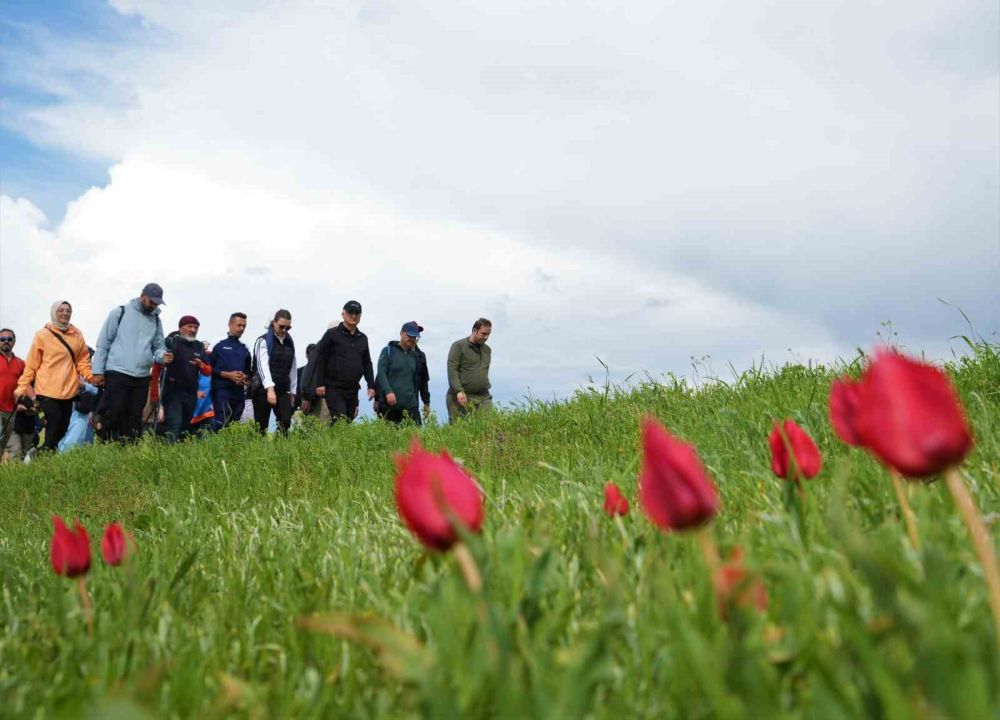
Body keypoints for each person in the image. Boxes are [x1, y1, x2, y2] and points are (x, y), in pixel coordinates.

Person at [15, 301, 99, 453]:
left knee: (61, 429)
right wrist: (22, 386)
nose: (65, 313)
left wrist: (91, 377)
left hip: (68, 391)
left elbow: (82, 361)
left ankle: (41, 455)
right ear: (54, 312)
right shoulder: (42, 335)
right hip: (47, 390)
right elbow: (32, 365)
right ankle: (42, 457)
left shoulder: (77, 334)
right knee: (54, 424)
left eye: (68, 310)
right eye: (61, 310)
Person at [92, 282, 171, 442]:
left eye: (157, 302)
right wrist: (98, 371)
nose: (154, 305)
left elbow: (158, 347)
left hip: (142, 375)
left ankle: (128, 450)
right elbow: (103, 342)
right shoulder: (120, 312)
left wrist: (163, 356)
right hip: (117, 371)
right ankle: (103, 445)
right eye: (152, 301)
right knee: (114, 411)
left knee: (135, 415)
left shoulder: (156, 320)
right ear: (142, 295)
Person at [313, 300, 375, 423]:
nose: (353, 316)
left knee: (347, 421)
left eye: (357, 313)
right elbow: (320, 359)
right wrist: (319, 383)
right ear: (343, 314)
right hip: (334, 387)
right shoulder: (331, 334)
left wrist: (371, 385)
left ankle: (332, 442)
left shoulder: (363, 338)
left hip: (353, 388)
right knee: (340, 420)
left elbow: (367, 362)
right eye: (350, 312)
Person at [161, 318, 211, 443]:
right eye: (190, 326)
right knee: (175, 424)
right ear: (181, 328)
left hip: (191, 392)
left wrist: (201, 365)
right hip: (172, 390)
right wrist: (154, 394)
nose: (193, 330)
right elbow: (157, 365)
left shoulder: (199, 346)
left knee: (185, 425)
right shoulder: (171, 342)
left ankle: (180, 455)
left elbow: (208, 370)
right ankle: (169, 452)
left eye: (196, 328)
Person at [250, 310, 297, 434]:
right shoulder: (263, 341)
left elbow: (292, 367)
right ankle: (260, 451)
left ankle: (279, 447)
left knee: (286, 421)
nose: (284, 330)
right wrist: (270, 389)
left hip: (282, 388)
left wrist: (293, 392)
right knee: (261, 426)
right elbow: (262, 366)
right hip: (262, 389)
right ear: (274, 323)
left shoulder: (289, 342)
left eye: (288, 327)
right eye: (281, 326)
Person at [376, 322, 430, 426]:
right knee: (390, 439)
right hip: (389, 405)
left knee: (416, 437)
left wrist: (426, 402)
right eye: (410, 336)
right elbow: (381, 374)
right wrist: (387, 392)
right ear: (401, 333)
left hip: (410, 406)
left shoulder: (416, 356)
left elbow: (422, 381)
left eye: (415, 337)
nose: (412, 339)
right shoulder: (388, 351)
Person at [446, 318, 493, 423]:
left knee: (487, 426)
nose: (486, 337)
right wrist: (458, 391)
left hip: (483, 396)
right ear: (474, 331)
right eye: (483, 333)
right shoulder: (458, 346)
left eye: (488, 334)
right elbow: (452, 369)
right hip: (461, 396)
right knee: (459, 430)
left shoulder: (487, 350)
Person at [209, 312, 251, 430]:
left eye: (244, 326)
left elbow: (249, 372)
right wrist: (227, 375)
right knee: (221, 423)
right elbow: (208, 368)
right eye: (239, 325)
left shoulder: (245, 348)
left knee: (234, 425)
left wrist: (244, 378)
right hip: (221, 391)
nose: (242, 328)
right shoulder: (217, 344)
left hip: (238, 393)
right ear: (230, 324)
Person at [0, 328, 27, 461]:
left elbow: (28, 384)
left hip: (12, 411)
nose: (6, 342)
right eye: (2, 339)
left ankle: (10, 478)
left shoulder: (21, 363)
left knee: (11, 447)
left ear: (14, 342)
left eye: (9, 339)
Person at [297, 343, 330, 422]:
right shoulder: (325, 371)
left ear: (306, 355)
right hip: (308, 406)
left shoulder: (299, 372)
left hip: (308, 406)